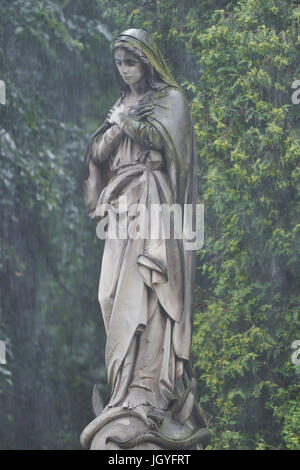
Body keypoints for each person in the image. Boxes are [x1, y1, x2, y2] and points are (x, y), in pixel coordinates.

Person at [83, 29, 198, 419]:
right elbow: (97, 152)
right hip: (119, 204)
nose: (124, 71)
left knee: (148, 292)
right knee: (109, 294)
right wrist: (118, 127)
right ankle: (121, 385)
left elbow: (170, 146)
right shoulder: (119, 105)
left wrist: (129, 123)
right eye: (119, 64)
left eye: (130, 63)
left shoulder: (171, 100)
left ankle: (146, 387)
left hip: (152, 199)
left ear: (146, 62)